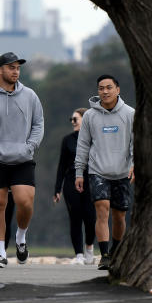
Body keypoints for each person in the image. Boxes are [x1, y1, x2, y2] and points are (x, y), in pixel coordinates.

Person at [0, 52, 44, 268]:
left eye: (18, 68)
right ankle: (0, 253)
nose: (15, 71)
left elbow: (39, 124)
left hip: (22, 158)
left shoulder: (30, 96)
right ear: (0, 70)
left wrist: (30, 146)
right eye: (11, 67)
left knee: (25, 201)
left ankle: (21, 237)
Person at [75, 74, 135, 270]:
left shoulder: (130, 114)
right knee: (102, 209)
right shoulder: (90, 116)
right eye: (101, 88)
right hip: (97, 170)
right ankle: (105, 255)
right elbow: (83, 145)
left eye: (109, 87)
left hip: (122, 171)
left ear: (117, 90)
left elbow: (136, 142)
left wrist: (135, 164)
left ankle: (116, 251)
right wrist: (79, 172)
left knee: (119, 216)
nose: (105, 91)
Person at [54, 107, 96, 265]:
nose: (72, 122)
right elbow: (61, 166)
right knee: (75, 218)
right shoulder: (67, 140)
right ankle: (79, 254)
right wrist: (57, 189)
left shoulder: (95, 138)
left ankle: (89, 248)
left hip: (91, 181)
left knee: (91, 218)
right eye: (71, 119)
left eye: (75, 119)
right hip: (71, 182)